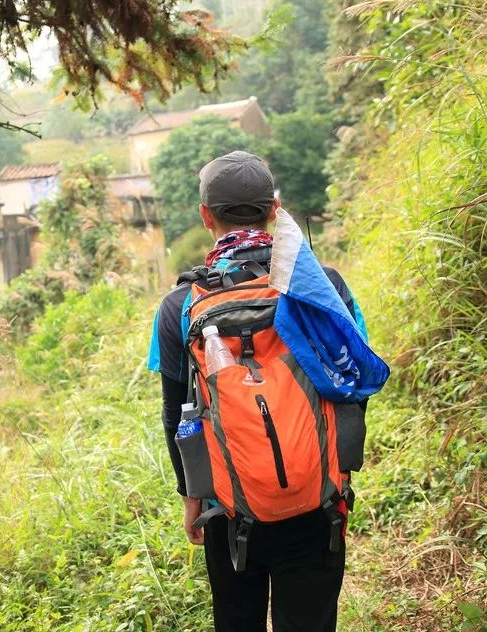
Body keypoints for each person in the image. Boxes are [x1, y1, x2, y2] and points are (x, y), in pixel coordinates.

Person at [147, 151, 363, 632]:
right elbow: (355, 385)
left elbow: (176, 413)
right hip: (317, 497)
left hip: (228, 505)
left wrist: (193, 498)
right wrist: (339, 473)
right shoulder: (324, 286)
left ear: (206, 216)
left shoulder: (179, 306)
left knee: (237, 620)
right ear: (275, 208)